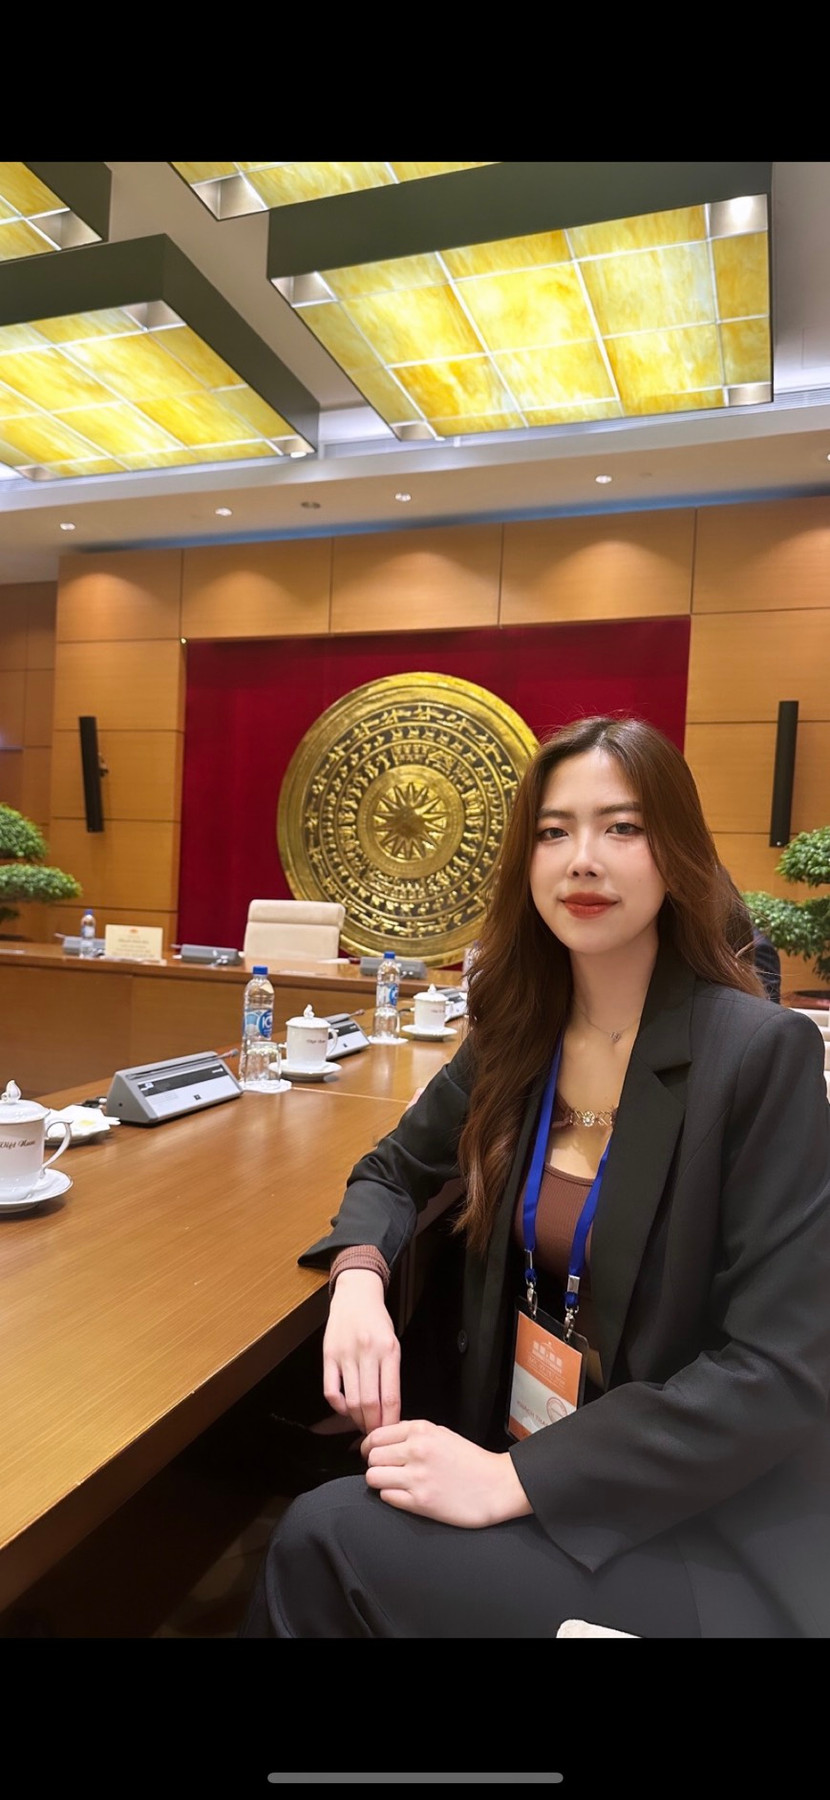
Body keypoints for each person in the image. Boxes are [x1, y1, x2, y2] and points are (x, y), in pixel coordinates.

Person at [240, 715, 830, 1639]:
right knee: (308, 1486)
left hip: (696, 1524)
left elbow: (778, 1371)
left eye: (622, 828)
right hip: (525, 1452)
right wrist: (358, 1277)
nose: (582, 860)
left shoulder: (758, 1055)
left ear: (676, 855)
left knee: (322, 1536)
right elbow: (392, 1169)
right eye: (554, 832)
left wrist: (516, 1479)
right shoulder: (519, 1036)